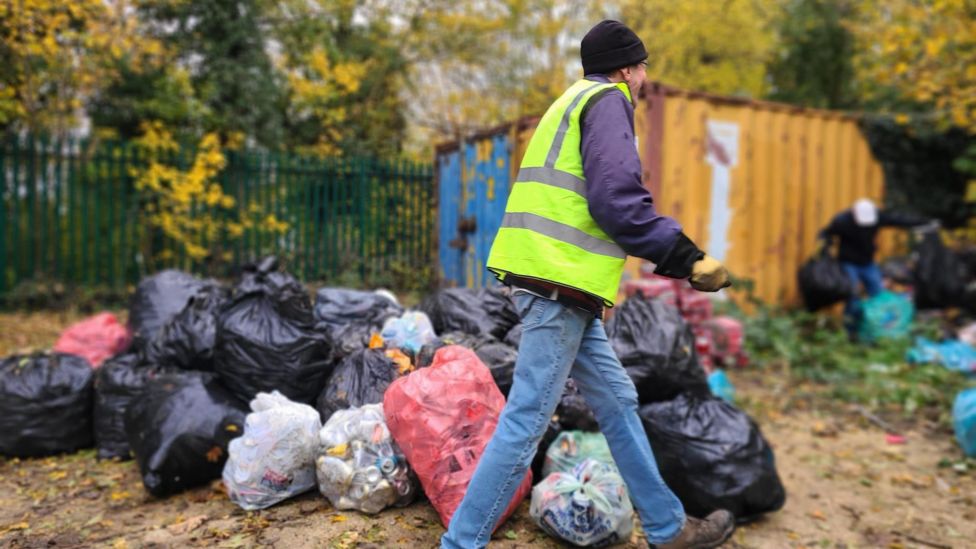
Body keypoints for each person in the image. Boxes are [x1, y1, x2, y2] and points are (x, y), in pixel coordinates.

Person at [441, 20, 735, 549]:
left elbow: (583, 203)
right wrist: (685, 257)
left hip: (561, 286)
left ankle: (667, 528)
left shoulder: (570, 101)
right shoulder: (608, 101)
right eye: (642, 67)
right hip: (557, 287)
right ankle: (459, 544)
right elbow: (616, 201)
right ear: (628, 68)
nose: (644, 78)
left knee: (618, 398)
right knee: (527, 421)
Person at [818, 198, 932, 336]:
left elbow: (897, 220)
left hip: (867, 263)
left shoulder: (876, 217)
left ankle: (877, 329)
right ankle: (851, 332)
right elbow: (828, 232)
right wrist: (825, 241)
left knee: (878, 295)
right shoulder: (842, 221)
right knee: (852, 297)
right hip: (848, 263)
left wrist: (923, 222)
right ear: (854, 214)